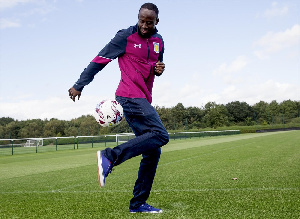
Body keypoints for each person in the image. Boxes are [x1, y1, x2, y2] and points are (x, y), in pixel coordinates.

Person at [68, 3, 169, 214]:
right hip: (128, 96)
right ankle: (110, 156)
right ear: (138, 18)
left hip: (144, 98)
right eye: (141, 20)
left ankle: (138, 204)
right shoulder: (125, 36)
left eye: (149, 22)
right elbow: (99, 60)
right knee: (160, 134)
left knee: (153, 151)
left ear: (156, 22)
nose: (144, 25)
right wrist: (79, 84)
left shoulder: (159, 41)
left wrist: (159, 69)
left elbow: (157, 66)